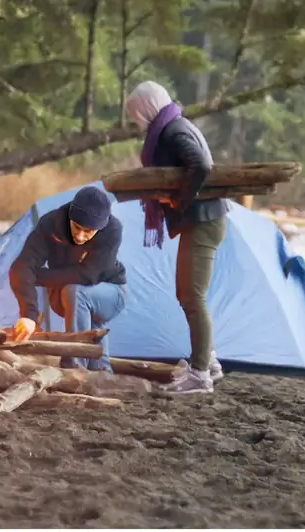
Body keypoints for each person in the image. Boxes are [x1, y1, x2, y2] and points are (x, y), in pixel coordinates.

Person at [124, 81, 229, 395]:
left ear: (147, 108)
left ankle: (200, 375)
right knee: (188, 293)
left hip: (203, 221)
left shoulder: (173, 131)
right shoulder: (175, 125)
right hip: (204, 221)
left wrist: (180, 201)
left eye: (135, 116)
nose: (136, 123)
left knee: (192, 296)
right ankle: (208, 361)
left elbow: (201, 165)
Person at [8, 186, 127, 372]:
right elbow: (21, 267)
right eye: (77, 227)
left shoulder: (112, 230)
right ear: (70, 216)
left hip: (112, 294)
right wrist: (29, 315)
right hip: (67, 297)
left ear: (100, 227)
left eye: (88, 231)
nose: (80, 236)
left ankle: (74, 370)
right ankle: (103, 375)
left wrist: (38, 276)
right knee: (92, 330)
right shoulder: (51, 223)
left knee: (76, 291)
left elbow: (89, 274)